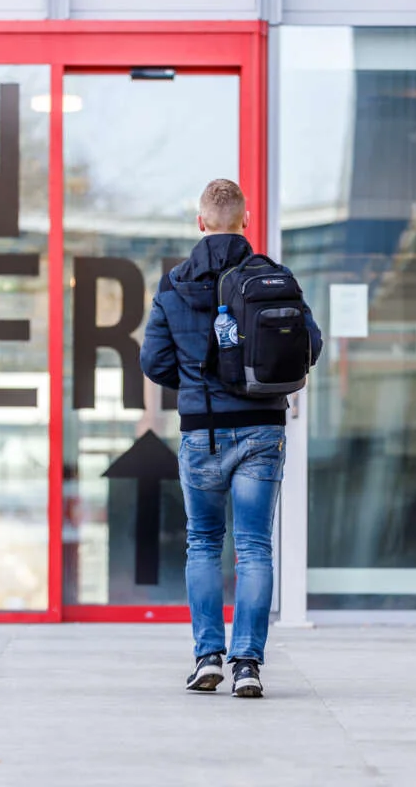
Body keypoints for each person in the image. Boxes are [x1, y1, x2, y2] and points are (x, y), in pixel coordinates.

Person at [140, 179, 321, 698]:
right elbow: (312, 344)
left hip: (203, 432)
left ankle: (207, 657)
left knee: (202, 542)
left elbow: (153, 362)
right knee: (254, 548)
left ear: (200, 223)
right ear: (246, 220)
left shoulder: (173, 286)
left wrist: (197, 387)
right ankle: (247, 664)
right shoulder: (275, 278)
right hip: (263, 428)